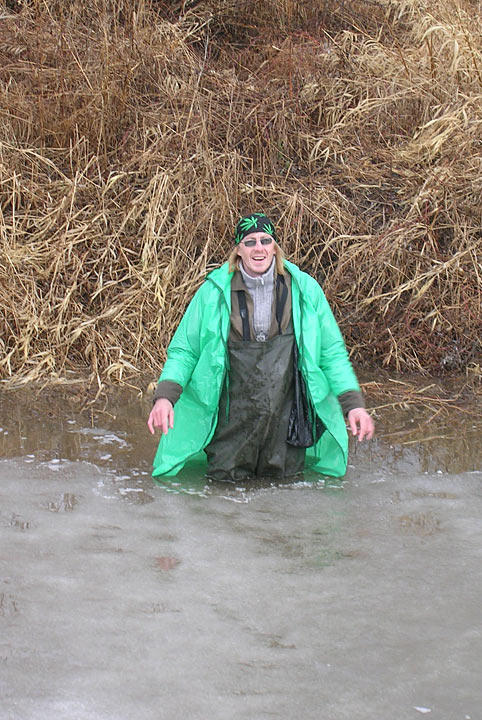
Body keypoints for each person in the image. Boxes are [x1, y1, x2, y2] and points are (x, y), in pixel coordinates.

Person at [148, 212, 374, 481]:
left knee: (285, 495)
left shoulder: (305, 290)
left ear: (275, 247)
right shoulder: (213, 294)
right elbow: (185, 350)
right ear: (238, 250)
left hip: (285, 427)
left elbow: (331, 353)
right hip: (230, 429)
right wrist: (165, 397)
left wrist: (353, 404)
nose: (259, 248)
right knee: (222, 494)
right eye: (250, 242)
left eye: (266, 240)